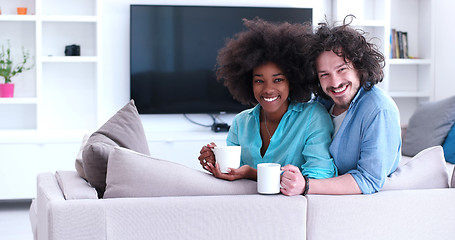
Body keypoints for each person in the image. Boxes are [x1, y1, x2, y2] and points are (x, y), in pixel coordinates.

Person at [198, 18, 337, 186]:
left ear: (291, 81)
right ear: (247, 83)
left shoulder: (312, 117)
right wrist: (217, 162)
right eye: (259, 81)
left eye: (278, 80)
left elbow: (319, 175)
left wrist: (253, 173)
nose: (268, 89)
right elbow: (234, 175)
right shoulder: (241, 123)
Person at [281, 16, 402, 196]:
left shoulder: (379, 110)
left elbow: (369, 179)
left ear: (359, 67)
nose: (335, 82)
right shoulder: (321, 104)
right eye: (324, 74)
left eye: (342, 69)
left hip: (352, 208)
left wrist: (306, 185)